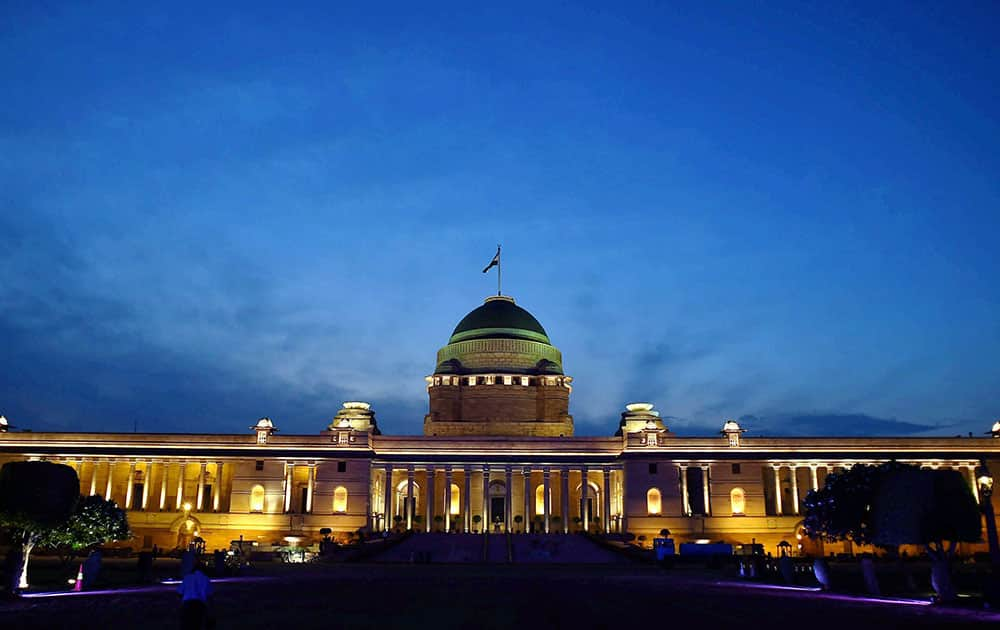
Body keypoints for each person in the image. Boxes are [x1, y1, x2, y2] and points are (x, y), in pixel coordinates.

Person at [177, 561, 213, 629]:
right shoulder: (205, 578)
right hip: (199, 604)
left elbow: (179, 592)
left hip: (187, 604)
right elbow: (209, 595)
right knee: (197, 625)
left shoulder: (187, 577)